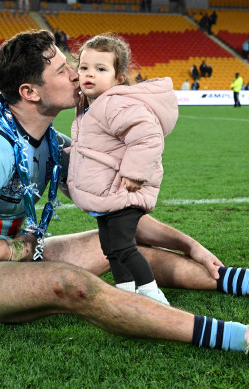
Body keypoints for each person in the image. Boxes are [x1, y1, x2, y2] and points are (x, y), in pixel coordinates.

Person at [0, 30, 249, 366]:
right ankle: (246, 338)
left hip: (19, 251)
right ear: (29, 91)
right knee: (70, 283)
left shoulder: (51, 143)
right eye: (63, 70)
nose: (78, 75)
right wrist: (18, 252)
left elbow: (118, 210)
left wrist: (189, 244)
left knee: (118, 241)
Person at [69, 34, 175, 304]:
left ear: (118, 78)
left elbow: (147, 135)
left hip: (125, 191)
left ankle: (152, 294)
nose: (89, 74)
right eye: (84, 67)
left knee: (124, 247)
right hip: (109, 195)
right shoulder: (89, 106)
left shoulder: (115, 103)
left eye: (101, 69)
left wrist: (134, 172)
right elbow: (95, 148)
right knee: (110, 249)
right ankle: (125, 292)